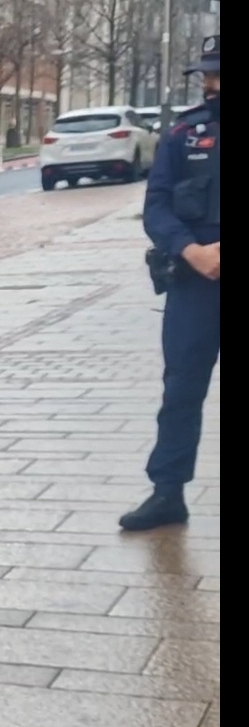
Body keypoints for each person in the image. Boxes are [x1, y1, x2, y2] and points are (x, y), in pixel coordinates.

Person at [122, 36, 220, 532]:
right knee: (181, 389)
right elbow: (156, 205)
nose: (211, 83)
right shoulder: (184, 134)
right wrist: (191, 250)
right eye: (208, 75)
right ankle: (167, 493)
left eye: (217, 75)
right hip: (196, 282)